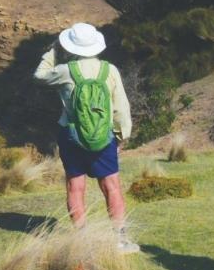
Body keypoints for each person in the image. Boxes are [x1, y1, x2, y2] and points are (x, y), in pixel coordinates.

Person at [34, 22, 137, 252]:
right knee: (112, 186)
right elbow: (121, 107)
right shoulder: (109, 70)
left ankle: (82, 240)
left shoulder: (65, 71)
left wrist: (52, 52)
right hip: (104, 136)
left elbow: (39, 76)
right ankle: (120, 239)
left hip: (71, 135)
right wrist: (121, 136)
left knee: (75, 187)